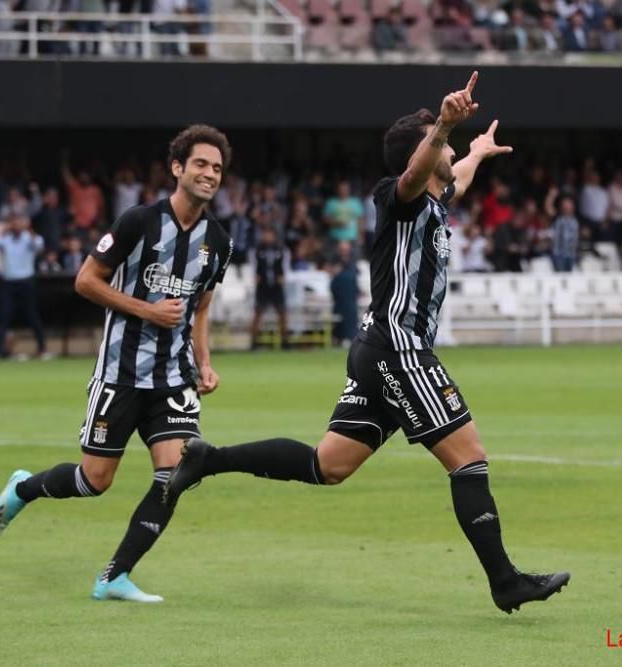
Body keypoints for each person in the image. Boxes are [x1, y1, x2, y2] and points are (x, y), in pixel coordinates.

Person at [164, 73, 569, 615]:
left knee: (328, 465)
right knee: (468, 459)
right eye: (441, 144)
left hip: (379, 351)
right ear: (420, 156)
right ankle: (505, 582)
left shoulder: (435, 203)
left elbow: (456, 180)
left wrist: (473, 151)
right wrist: (445, 124)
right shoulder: (397, 197)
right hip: (399, 349)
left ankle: (209, 459)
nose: (448, 151)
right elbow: (417, 174)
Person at [0, 126, 235, 603]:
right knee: (93, 480)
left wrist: (204, 363)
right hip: (120, 372)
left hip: (173, 378)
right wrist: (147, 310)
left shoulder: (218, 241)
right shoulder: (138, 222)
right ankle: (24, 490)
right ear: (178, 168)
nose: (209, 174)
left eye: (218, 168)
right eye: (201, 163)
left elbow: (201, 307)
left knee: (175, 475)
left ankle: (114, 576)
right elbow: (85, 280)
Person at [0, 215, 49, 359]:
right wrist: (2, 228)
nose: (16, 226)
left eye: (18, 222)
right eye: (13, 223)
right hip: (9, 283)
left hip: (26, 282)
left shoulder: (30, 238)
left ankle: (42, 348)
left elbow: (38, 246)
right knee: (4, 316)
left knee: (32, 316)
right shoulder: (6, 239)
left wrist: (27, 230)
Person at [249, 225, 289, 349]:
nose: (267, 237)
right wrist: (255, 276)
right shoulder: (257, 250)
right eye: (265, 234)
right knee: (258, 313)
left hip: (277, 285)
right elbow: (253, 265)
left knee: (282, 313)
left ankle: (285, 341)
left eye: (269, 234)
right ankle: (254, 342)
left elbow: (286, 264)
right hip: (262, 286)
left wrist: (283, 276)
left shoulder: (281, 250)